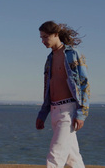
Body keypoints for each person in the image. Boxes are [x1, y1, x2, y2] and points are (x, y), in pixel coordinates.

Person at [36, 21, 91, 168]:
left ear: (56, 34)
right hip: (54, 110)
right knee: (73, 159)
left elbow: (84, 84)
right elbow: (48, 87)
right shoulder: (49, 59)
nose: (43, 41)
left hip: (69, 112)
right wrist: (43, 114)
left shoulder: (73, 54)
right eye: (41, 38)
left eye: (45, 37)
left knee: (55, 156)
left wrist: (81, 113)